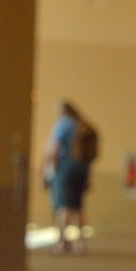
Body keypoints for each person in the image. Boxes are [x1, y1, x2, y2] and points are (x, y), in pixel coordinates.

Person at [43, 100, 94, 254]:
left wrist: (50, 168)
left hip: (64, 168)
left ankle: (63, 242)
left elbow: (55, 147)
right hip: (82, 170)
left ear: (63, 111)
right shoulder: (82, 125)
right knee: (78, 207)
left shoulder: (63, 124)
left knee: (63, 206)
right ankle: (81, 243)